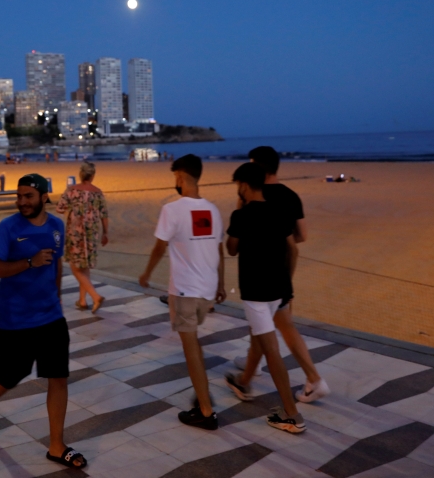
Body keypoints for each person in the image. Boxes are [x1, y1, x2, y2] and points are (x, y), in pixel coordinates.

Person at [0, 174, 86, 470]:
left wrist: (58, 299)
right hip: (14, 320)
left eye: (28, 196)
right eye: (19, 196)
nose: (22, 202)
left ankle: (56, 445)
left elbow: (57, 264)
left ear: (43, 197)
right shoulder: (7, 227)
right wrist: (28, 262)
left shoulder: (56, 226)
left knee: (58, 377)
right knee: (10, 377)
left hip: (50, 317)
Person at [235, 146, 330, 404]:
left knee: (269, 330)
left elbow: (237, 238)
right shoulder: (290, 196)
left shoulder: (254, 197)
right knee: (279, 328)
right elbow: (301, 236)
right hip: (283, 275)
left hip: (257, 278)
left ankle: (301, 387)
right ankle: (246, 379)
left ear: (259, 168)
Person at [139, 154, 226, 430]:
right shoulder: (212, 210)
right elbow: (219, 250)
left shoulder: (172, 210)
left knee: (190, 350)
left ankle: (206, 410)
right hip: (207, 292)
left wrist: (147, 274)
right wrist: (221, 285)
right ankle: (201, 396)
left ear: (180, 177)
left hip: (186, 292)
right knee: (194, 344)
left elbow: (158, 247)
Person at [223, 163, 305, 434]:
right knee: (261, 336)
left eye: (239, 186)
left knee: (271, 350)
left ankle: (292, 414)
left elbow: (231, 249)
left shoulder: (242, 215)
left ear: (244, 185)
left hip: (256, 292)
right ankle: (244, 381)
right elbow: (290, 246)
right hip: (279, 288)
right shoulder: (279, 211)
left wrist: (239, 212)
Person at [56, 161, 109, 313]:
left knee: (75, 267)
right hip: (92, 232)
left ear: (80, 174)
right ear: (92, 176)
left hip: (76, 232)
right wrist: (106, 233)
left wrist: (71, 212)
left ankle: (95, 296)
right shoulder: (97, 192)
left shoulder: (72, 190)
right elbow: (104, 214)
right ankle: (82, 300)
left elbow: (60, 207)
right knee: (84, 265)